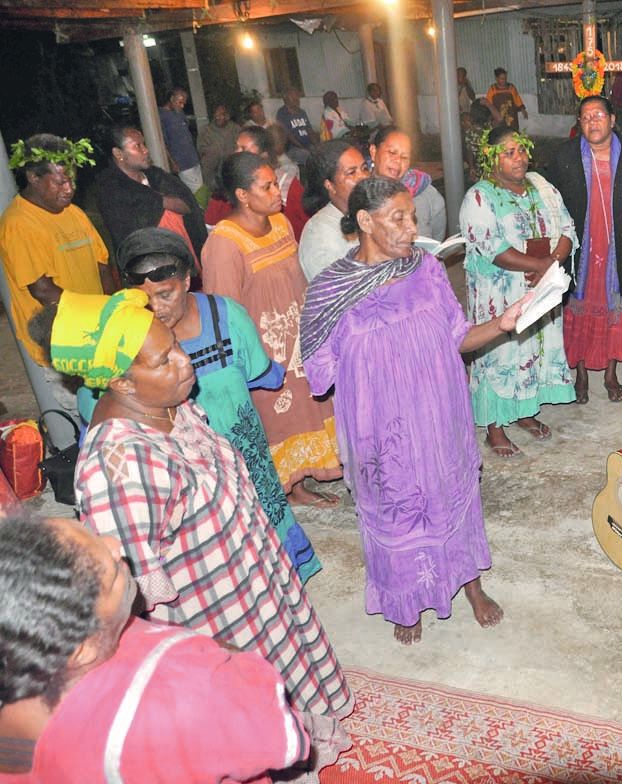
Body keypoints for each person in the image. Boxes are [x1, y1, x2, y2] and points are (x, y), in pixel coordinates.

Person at [37, 288, 353, 728]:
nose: (186, 363)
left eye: (176, 346)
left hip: (258, 589)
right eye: (164, 360)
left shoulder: (169, 404)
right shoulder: (121, 466)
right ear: (121, 382)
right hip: (222, 628)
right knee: (253, 724)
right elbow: (140, 602)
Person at [303, 177, 531, 644]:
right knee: (396, 507)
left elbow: (457, 337)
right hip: (381, 426)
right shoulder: (331, 290)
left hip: (439, 411)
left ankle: (471, 584)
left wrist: (502, 325)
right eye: (398, 219)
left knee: (452, 493)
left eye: (413, 217)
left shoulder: (426, 269)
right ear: (364, 222)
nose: (412, 228)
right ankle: (405, 599)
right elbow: (319, 373)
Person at [0, 512, 330, 782]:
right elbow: (284, 742)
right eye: (112, 572)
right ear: (81, 650)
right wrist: (225, 657)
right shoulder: (187, 684)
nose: (116, 545)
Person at [89, 227, 321, 580]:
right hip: (183, 485)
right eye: (144, 297)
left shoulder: (227, 317)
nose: (156, 307)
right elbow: (98, 406)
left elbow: (265, 375)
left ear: (186, 279)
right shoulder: (120, 343)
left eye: (165, 294)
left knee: (272, 556)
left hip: (245, 462)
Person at [203, 152, 343, 506]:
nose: (276, 192)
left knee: (307, 413)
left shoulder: (280, 222)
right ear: (242, 195)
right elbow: (225, 313)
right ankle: (287, 490)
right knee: (277, 422)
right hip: (264, 353)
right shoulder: (224, 244)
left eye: (274, 183)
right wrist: (252, 360)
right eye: (265, 187)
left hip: (297, 342)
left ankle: (301, 482)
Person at [459, 125, 576, 457]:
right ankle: (494, 426)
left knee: (532, 351)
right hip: (502, 293)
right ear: (492, 159)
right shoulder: (479, 196)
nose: (519, 159)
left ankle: (524, 411)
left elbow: (567, 225)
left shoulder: (542, 186)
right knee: (501, 355)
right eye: (509, 153)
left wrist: (553, 261)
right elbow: (491, 247)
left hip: (540, 287)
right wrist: (541, 266)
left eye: (521, 150)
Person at [544, 95, 622, 405]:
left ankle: (610, 374)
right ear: (579, 123)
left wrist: (614, 217)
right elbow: (552, 197)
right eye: (586, 116)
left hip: (614, 247)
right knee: (577, 305)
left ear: (613, 120)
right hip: (580, 249)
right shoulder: (566, 156)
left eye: (599, 115)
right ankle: (579, 375)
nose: (593, 121)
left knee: (613, 305)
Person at [0, 133, 114, 414]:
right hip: (62, 347)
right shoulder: (19, 224)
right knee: (86, 419)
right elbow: (42, 290)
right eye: (61, 180)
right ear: (33, 177)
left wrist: (115, 310)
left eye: (72, 179)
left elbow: (103, 265)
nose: (70, 188)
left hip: (97, 334)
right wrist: (95, 316)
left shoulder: (73, 212)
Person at [96, 124, 206, 262]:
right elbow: (130, 239)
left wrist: (161, 201)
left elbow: (188, 206)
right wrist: (161, 201)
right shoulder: (113, 193)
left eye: (144, 144)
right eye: (138, 146)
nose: (146, 150)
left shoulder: (158, 177)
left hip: (186, 260)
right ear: (119, 154)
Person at [206, 125, 310, 240]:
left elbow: (305, 227)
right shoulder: (227, 185)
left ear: (263, 157)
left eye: (244, 149)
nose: (236, 153)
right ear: (241, 194)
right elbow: (212, 228)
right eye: (236, 147)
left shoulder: (287, 184)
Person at [299, 139, 370, 283]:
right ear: (329, 185)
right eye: (351, 173)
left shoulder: (366, 213)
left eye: (364, 169)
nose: (363, 177)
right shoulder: (318, 233)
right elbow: (335, 292)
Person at [370, 126, 447, 241]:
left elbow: (437, 239)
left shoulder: (426, 194)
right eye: (392, 153)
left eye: (404, 157)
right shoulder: (358, 193)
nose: (398, 161)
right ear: (373, 152)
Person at [160, 87, 202, 194]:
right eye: (180, 102)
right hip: (182, 162)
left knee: (200, 189)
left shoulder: (179, 113)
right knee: (198, 191)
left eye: (184, 103)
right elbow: (163, 142)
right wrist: (172, 162)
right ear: (171, 98)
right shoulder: (162, 116)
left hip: (193, 158)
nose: (182, 106)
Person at [196, 103, 241, 188]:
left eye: (221, 115)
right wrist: (214, 152)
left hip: (232, 166)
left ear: (227, 116)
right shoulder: (206, 131)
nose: (218, 118)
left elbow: (241, 145)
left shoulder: (235, 128)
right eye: (216, 115)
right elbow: (201, 149)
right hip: (213, 169)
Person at [276, 88, 316, 165]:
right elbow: (288, 135)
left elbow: (310, 130)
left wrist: (317, 145)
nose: (296, 99)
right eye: (292, 96)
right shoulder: (282, 113)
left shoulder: (302, 112)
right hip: (293, 148)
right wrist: (302, 147)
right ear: (285, 99)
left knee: (321, 154)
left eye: (297, 96)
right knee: (308, 157)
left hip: (308, 146)